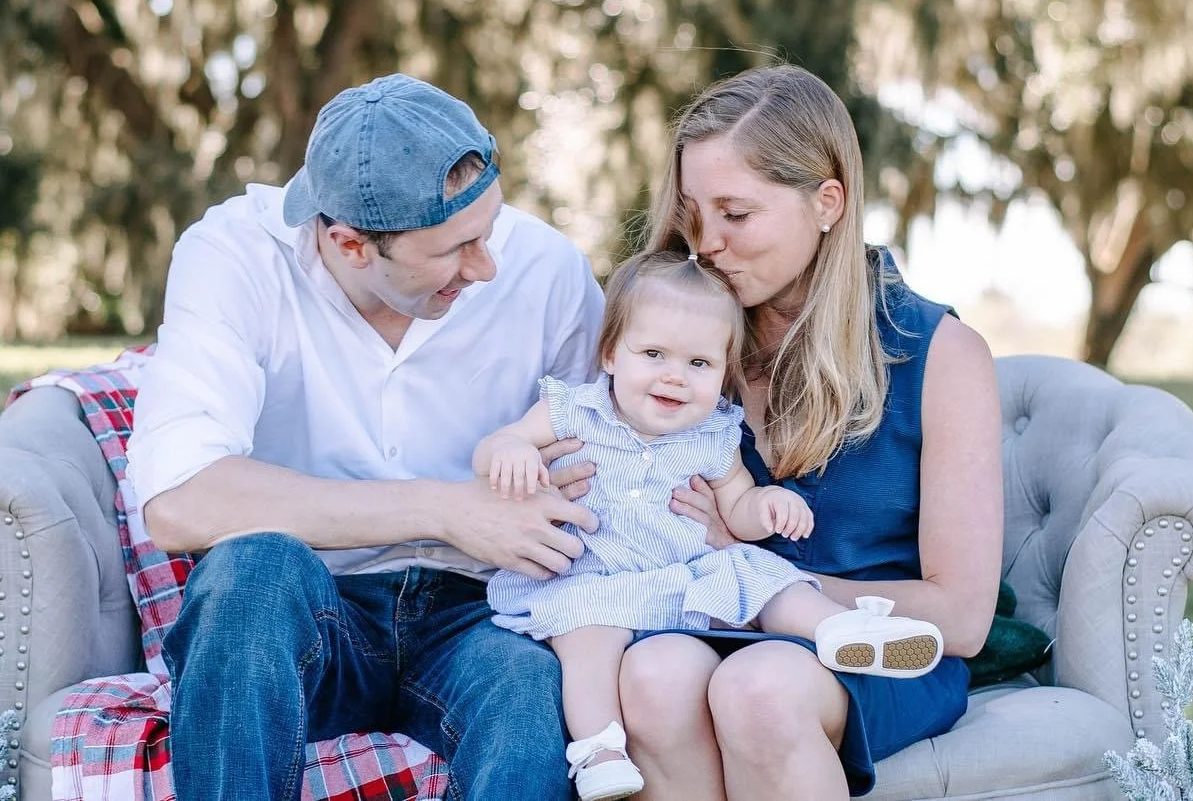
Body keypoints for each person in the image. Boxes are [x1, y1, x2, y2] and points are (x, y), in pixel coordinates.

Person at [124, 73, 607, 801]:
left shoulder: (548, 272)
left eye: (489, 229)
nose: (488, 266)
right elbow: (180, 498)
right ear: (348, 243)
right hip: (313, 601)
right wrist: (445, 508)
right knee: (247, 576)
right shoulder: (235, 255)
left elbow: (599, 448)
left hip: (482, 609)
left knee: (529, 688)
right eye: (455, 249)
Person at [616, 64, 1004, 800]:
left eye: (735, 214)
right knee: (653, 675)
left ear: (828, 201)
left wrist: (756, 570)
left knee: (761, 686)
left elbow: (961, 616)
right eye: (693, 212)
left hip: (878, 650)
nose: (705, 244)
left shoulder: (940, 354)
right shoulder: (679, 339)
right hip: (705, 626)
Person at [478, 248, 947, 801]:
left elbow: (737, 506)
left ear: (723, 372)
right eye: (654, 354)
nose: (675, 377)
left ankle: (838, 630)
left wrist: (768, 504)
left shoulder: (710, 434)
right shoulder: (573, 410)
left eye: (699, 364)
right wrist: (512, 454)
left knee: (764, 574)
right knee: (584, 636)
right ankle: (598, 749)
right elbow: (496, 447)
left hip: (686, 575)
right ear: (609, 354)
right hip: (594, 578)